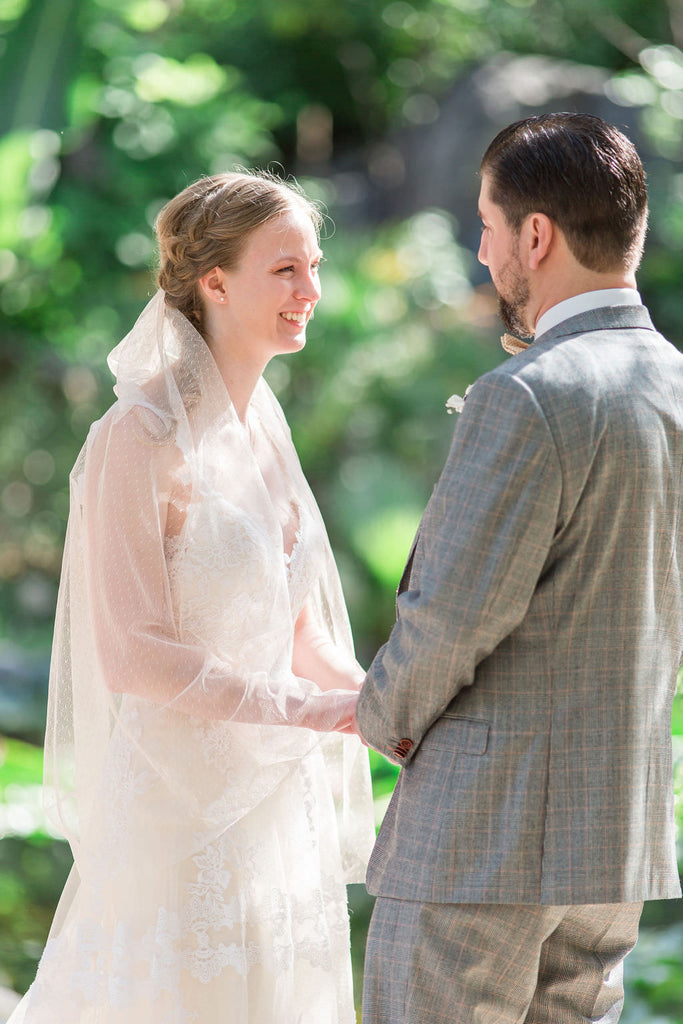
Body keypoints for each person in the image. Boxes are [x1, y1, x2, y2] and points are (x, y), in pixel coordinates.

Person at [10, 171, 375, 1024]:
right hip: (177, 817)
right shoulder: (135, 439)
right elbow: (133, 651)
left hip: (277, 808)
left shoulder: (266, 429)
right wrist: (311, 712)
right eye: (285, 270)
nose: (311, 291)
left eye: (314, 266)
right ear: (214, 281)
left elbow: (295, 632)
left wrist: (381, 701)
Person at [355, 112, 683, 1023]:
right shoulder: (674, 382)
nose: (481, 249)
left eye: (487, 225)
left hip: (482, 838)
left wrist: (378, 716)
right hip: (612, 832)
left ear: (534, 236)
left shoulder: (531, 392)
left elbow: (451, 616)